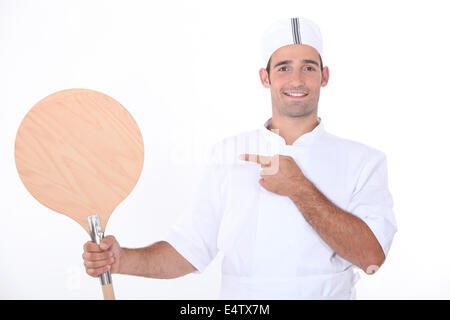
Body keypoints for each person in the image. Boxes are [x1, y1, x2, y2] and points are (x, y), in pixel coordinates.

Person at [82, 17, 397, 299]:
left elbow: (372, 257)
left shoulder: (364, 162)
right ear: (265, 77)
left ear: (324, 76)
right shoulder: (228, 154)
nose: (297, 79)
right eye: (284, 67)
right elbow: (190, 249)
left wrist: (299, 188)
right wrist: (122, 260)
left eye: (308, 68)